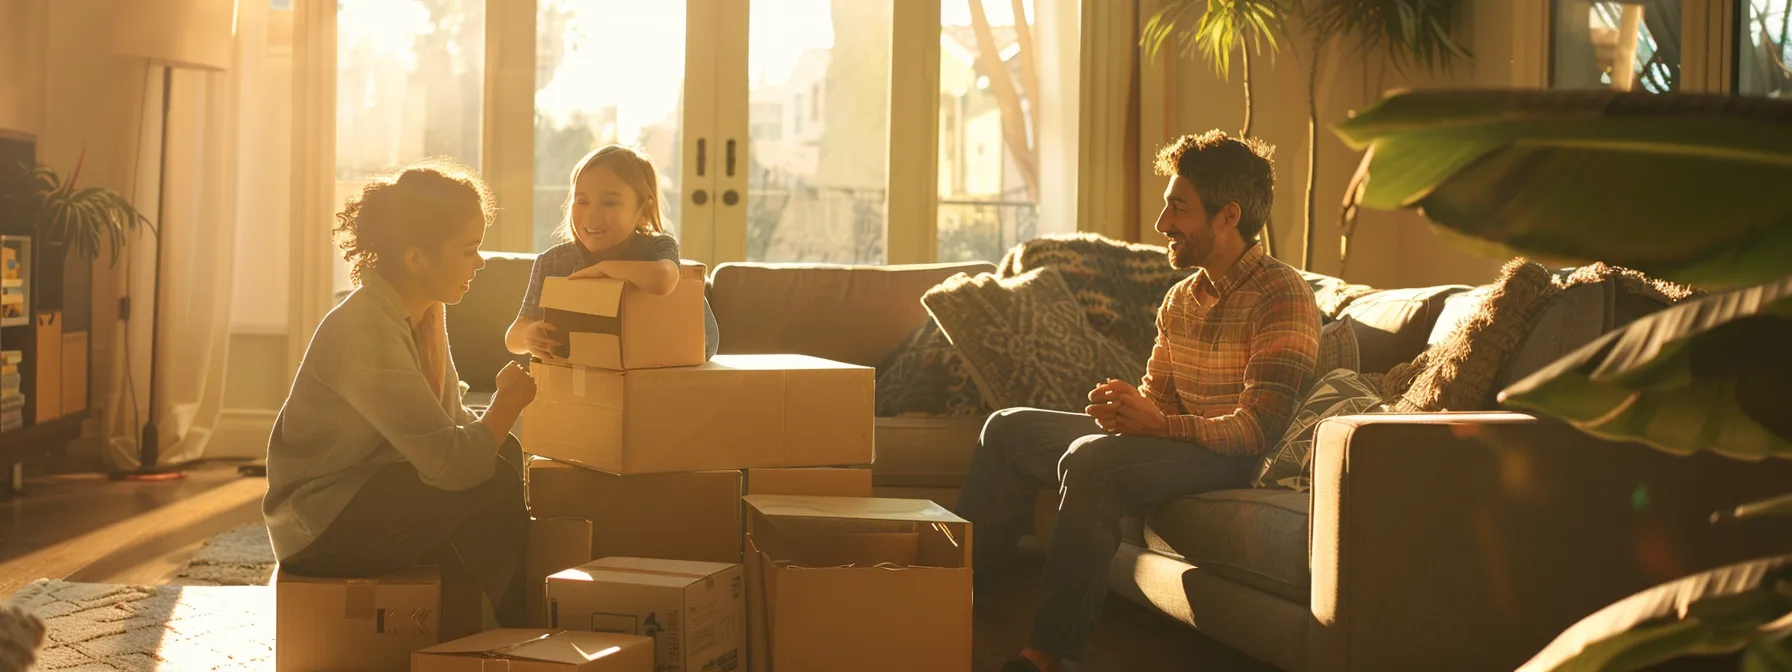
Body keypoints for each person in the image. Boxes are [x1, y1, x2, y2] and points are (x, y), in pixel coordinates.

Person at [956, 131, 1322, 672]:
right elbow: (1158, 398)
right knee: (1007, 427)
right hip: (1176, 442)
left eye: (1178, 207)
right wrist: (1124, 408)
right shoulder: (1181, 298)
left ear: (1228, 216)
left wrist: (1160, 425)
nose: (1162, 224)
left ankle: (1050, 651)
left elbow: (1259, 429)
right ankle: (954, 599)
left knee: (1092, 463)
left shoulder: (1282, 294)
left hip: (1232, 458)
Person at [263, 159, 538, 627]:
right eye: (469, 249)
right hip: (320, 528)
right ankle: (525, 632)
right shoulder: (364, 329)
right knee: (491, 482)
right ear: (415, 257)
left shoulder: (424, 313)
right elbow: (453, 464)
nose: (481, 262)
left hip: (372, 490)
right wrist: (506, 402)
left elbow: (449, 428)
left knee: (503, 452)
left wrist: (500, 422)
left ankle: (495, 623)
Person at [506, 145, 720, 362]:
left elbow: (664, 279)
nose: (592, 213)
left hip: (666, 361)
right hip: (587, 370)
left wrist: (604, 270)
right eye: (581, 201)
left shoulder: (656, 247)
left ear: (643, 210)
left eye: (610, 202)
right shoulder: (552, 262)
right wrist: (528, 336)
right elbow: (513, 338)